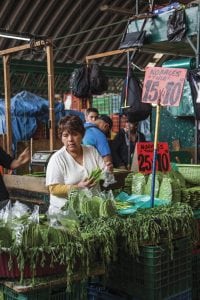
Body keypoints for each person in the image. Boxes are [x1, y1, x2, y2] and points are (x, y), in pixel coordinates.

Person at [46, 115, 112, 213]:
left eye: (74, 134)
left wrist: (109, 172)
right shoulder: (57, 159)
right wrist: (77, 187)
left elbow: (106, 177)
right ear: (61, 138)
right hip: (65, 214)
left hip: (91, 211)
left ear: (82, 135)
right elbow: (53, 188)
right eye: (65, 135)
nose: (70, 139)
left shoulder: (92, 151)